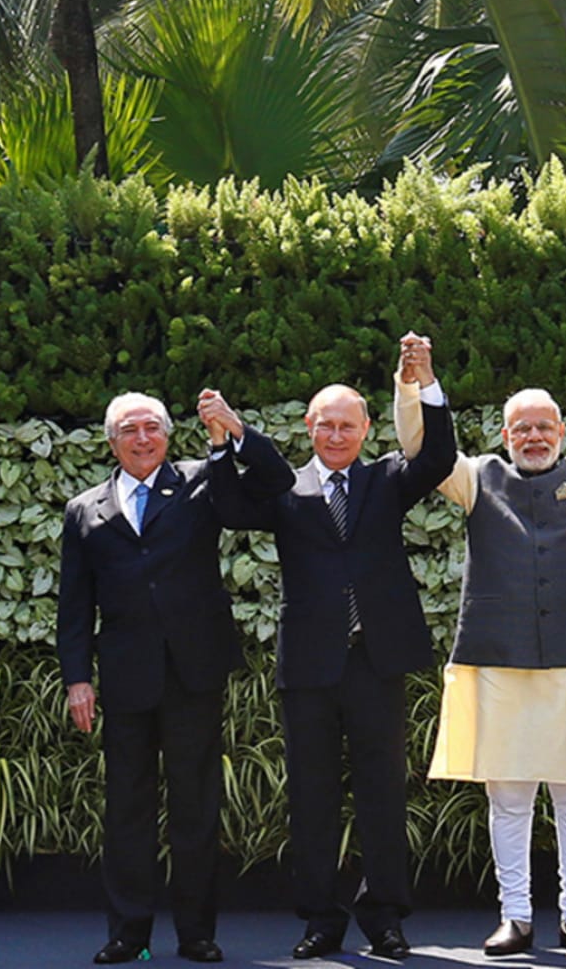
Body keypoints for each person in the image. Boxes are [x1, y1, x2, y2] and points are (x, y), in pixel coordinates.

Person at [396, 365, 566, 956]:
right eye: (520, 428)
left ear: (563, 431)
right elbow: (420, 447)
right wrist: (416, 385)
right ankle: (516, 917)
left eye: (543, 426)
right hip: (501, 662)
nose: (532, 436)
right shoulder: (474, 477)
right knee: (510, 798)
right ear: (504, 435)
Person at [209, 334, 457, 961]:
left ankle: (386, 919)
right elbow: (229, 506)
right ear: (308, 427)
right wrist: (223, 443)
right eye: (326, 425)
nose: (337, 435)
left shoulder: (387, 480)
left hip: (377, 660)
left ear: (367, 428)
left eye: (348, 425)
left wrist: (425, 381)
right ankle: (321, 919)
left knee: (383, 794)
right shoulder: (285, 490)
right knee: (311, 797)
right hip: (311, 667)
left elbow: (440, 457)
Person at [58, 388, 295, 965]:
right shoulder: (85, 509)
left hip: (193, 671)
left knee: (195, 807)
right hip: (124, 676)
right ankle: (129, 933)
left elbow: (276, 486)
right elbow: (73, 604)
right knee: (127, 808)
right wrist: (76, 678)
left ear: (168, 434)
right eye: (130, 431)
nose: (143, 439)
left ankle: (196, 933)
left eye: (152, 428)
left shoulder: (202, 479)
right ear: (112, 442)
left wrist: (235, 432)